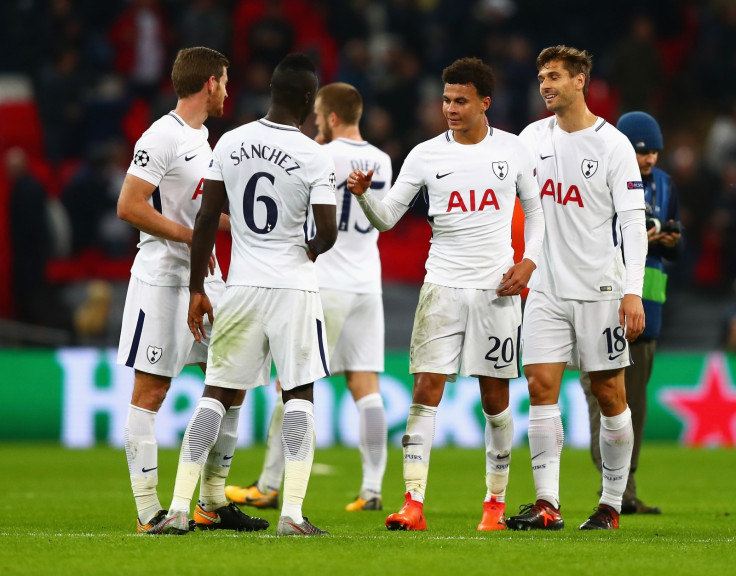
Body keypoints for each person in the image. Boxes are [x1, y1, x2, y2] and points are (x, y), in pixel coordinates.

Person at [347, 57, 545, 531]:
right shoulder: (424, 155)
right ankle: (412, 504)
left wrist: (528, 262)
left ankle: (494, 507)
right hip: (441, 287)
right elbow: (389, 217)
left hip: (496, 290)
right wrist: (362, 196)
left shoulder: (514, 150)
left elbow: (537, 214)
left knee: (495, 398)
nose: (450, 109)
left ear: (484, 103)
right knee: (425, 391)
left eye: (460, 101)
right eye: (446, 100)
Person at [160, 53, 337, 536]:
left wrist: (197, 288)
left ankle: (178, 508)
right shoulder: (314, 155)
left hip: (238, 286)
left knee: (215, 393)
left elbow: (203, 220)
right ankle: (293, 516)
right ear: (306, 99)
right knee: (299, 393)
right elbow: (328, 231)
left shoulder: (231, 142)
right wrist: (310, 248)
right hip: (293, 287)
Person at [117, 46, 266, 534]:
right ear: (210, 84)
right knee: (152, 390)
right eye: (224, 81)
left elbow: (204, 212)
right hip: (162, 280)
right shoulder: (160, 136)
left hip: (210, 280)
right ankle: (147, 512)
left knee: (232, 382)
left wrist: (245, 228)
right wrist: (194, 236)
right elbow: (130, 205)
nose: (228, 90)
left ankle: (211, 501)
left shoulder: (206, 141)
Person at [225, 82, 392, 512]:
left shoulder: (320, 154)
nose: (315, 123)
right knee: (366, 386)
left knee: (292, 383)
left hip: (326, 282)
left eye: (319, 116)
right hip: (367, 284)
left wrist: (316, 143)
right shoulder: (382, 159)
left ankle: (267, 484)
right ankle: (372, 489)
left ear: (332, 117)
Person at [506, 45, 648, 532]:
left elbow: (632, 224)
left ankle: (610, 504)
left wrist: (633, 290)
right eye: (541, 76)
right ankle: (547, 503)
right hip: (546, 288)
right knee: (541, 386)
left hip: (600, 289)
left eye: (555, 76)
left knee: (609, 394)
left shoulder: (613, 145)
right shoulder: (530, 138)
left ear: (580, 80)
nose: (545, 84)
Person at [580, 111, 681, 515]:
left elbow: (679, 247)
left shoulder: (666, 184)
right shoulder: (603, 176)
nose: (647, 159)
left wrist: (669, 240)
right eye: (641, 151)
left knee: (634, 399)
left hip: (647, 303)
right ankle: (614, 487)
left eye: (653, 151)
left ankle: (627, 486)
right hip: (604, 296)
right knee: (602, 393)